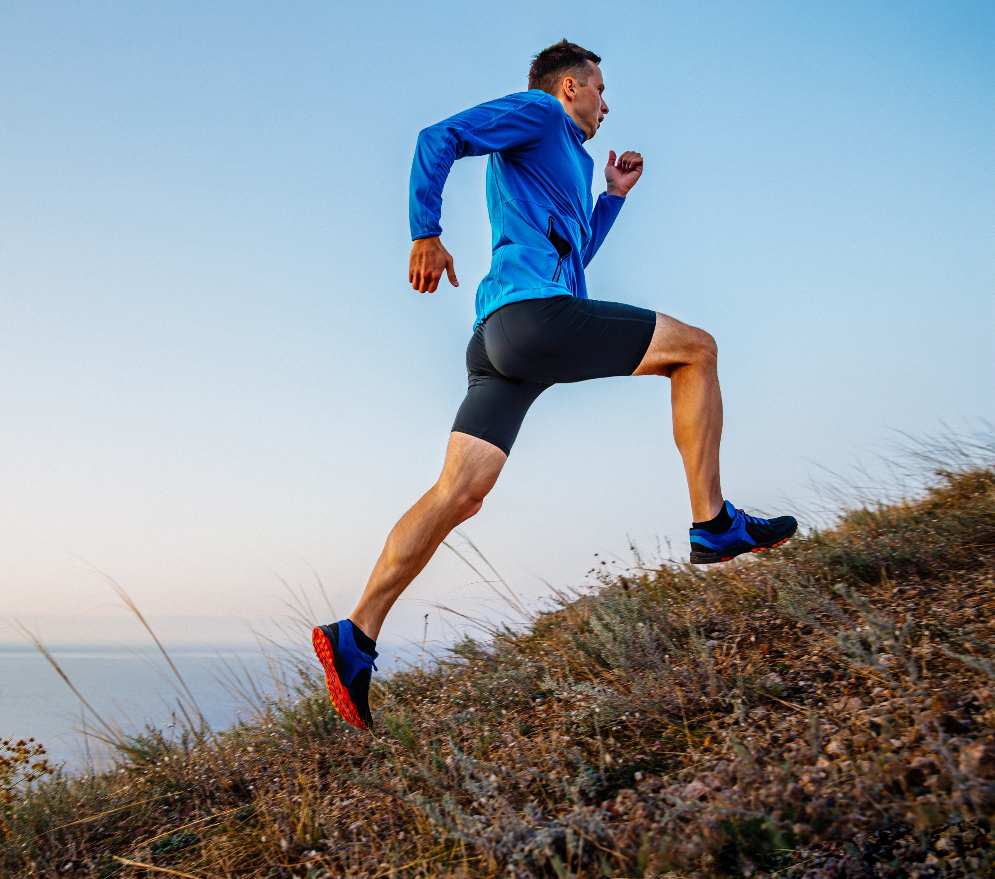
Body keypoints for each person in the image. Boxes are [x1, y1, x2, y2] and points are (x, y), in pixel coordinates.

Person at [312, 40, 796, 730]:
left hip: (503, 340)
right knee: (697, 352)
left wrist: (612, 198)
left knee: (460, 493)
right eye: (601, 88)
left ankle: (354, 635)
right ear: (570, 87)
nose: (608, 102)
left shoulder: (565, 158)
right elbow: (437, 136)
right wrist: (425, 231)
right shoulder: (540, 113)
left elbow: (574, 258)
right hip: (531, 319)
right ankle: (713, 524)